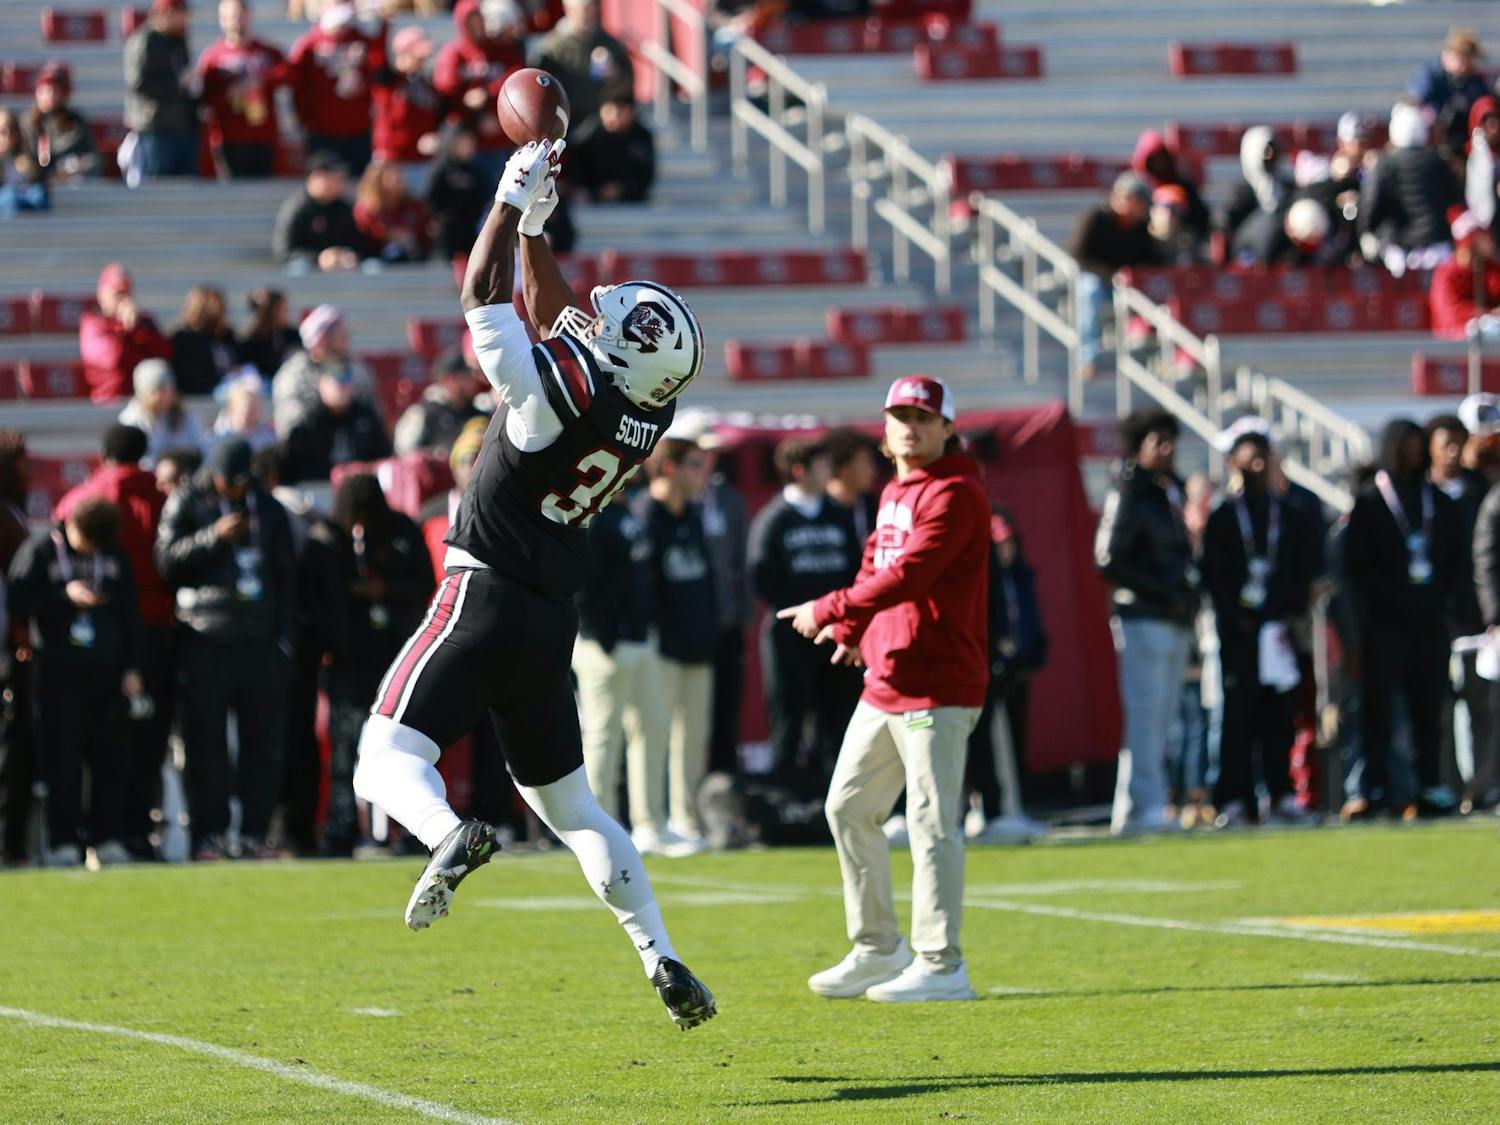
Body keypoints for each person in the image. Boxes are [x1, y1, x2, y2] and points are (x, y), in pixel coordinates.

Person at [349, 139, 716, 1028]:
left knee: (383, 758)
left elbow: (479, 296)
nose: (595, 313)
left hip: (482, 594)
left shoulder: (555, 393)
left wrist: (510, 200)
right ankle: (661, 957)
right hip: (550, 622)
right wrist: (541, 234)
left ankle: (448, 835)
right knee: (574, 806)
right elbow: (562, 322)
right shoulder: (646, 409)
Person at [778, 374, 989, 1003]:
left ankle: (943, 962)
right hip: (889, 677)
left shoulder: (957, 492)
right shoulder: (898, 486)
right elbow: (878, 562)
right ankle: (878, 947)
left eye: (923, 417)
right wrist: (851, 623)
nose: (909, 426)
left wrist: (828, 605)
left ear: (947, 427)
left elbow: (912, 574)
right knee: (846, 807)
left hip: (937, 684)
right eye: (900, 414)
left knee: (930, 824)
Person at [155, 438, 296, 859]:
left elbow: (286, 576)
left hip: (259, 640)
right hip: (205, 637)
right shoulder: (186, 501)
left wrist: (284, 637)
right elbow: (166, 561)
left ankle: (254, 833)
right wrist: (213, 537)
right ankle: (209, 835)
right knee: (206, 744)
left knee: (262, 743)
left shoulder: (267, 507)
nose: (236, 492)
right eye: (229, 484)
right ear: (214, 477)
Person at [54, 425, 173, 860]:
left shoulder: (85, 497)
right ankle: (131, 832)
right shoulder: (160, 499)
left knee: (86, 744)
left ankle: (85, 836)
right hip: (157, 630)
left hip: (97, 636)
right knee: (144, 742)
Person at [8, 499, 146, 867]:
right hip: (56, 670)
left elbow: (130, 612)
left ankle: (107, 838)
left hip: (107, 670)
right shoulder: (40, 549)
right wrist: (62, 598)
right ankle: (63, 841)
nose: (89, 550)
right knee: (60, 759)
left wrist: (133, 667)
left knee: (111, 758)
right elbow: (18, 600)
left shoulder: (113, 554)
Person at [1343, 420, 1462, 820]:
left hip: (1428, 627)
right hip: (1384, 628)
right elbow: (1356, 573)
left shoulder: (1439, 503)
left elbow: (1454, 563)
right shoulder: (1370, 503)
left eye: (1418, 445)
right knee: (1377, 711)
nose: (1413, 453)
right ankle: (1376, 788)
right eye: (1406, 445)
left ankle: (1428, 786)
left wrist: (1438, 603)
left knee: (1428, 711)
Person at [1200, 421, 1314, 828]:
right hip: (1238, 634)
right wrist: (1238, 619)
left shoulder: (1289, 513)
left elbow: (1302, 570)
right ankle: (1234, 797)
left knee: (1279, 716)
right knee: (1237, 716)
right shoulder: (1224, 516)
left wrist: (1285, 612)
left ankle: (1281, 793)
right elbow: (1214, 575)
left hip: (1277, 631)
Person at [1094, 409, 1197, 834]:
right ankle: (1147, 805)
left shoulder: (1166, 492)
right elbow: (1108, 559)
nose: (1168, 449)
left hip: (1169, 617)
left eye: (1171, 440)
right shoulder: (1131, 493)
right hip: (1143, 617)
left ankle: (1134, 806)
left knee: (1162, 718)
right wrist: (1163, 588)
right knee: (1147, 715)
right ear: (1139, 445)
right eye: (1158, 440)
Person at [323, 474, 434, 856]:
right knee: (345, 750)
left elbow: (423, 584)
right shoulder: (335, 539)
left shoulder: (402, 530)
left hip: (396, 657)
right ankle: (342, 830)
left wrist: (384, 589)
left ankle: (410, 829)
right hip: (351, 659)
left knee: (404, 749)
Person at [749, 435, 860, 788]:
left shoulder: (838, 514)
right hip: (789, 638)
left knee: (836, 722)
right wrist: (801, 615)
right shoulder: (774, 518)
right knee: (788, 722)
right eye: (823, 465)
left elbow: (856, 570)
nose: (830, 471)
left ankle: (836, 802)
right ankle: (786, 805)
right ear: (800, 471)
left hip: (834, 635)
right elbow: (761, 575)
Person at [632, 437, 719, 852]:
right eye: (694, 465)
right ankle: (647, 822)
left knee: (692, 739)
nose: (701, 474)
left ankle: (687, 820)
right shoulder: (644, 514)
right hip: (657, 646)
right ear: (669, 468)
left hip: (695, 642)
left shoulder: (696, 514)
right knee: (651, 736)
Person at [574, 473, 661, 832]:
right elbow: (583, 584)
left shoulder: (628, 513)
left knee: (650, 732)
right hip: (604, 645)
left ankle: (649, 823)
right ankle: (599, 824)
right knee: (602, 736)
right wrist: (603, 636)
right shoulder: (594, 518)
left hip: (638, 639)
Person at [965, 505, 1048, 843]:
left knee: (1002, 744)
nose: (1004, 550)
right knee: (958, 741)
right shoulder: (982, 575)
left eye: (1008, 543)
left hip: (1005, 672)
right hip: (973, 669)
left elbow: (1026, 625)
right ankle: (969, 811)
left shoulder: (1020, 578)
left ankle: (1000, 810)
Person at [1427, 409, 1490, 813]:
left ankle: (1481, 786)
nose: (1452, 451)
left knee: (1482, 705)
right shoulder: (1420, 495)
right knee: (1439, 711)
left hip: (1476, 617)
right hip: (1432, 620)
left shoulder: (1480, 491)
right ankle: (1443, 785)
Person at [1068, 173, 1157, 379]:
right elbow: (1079, 254)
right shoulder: (1096, 219)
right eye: (1138, 202)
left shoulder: (1140, 228)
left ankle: (1147, 351)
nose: (1141, 208)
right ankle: (1087, 358)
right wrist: (1111, 276)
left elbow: (1151, 260)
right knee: (1089, 291)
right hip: (1098, 280)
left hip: (1126, 285)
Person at [1360, 102, 1461, 275]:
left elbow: (1370, 204)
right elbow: (1456, 199)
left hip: (1398, 252)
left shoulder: (1385, 164)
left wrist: (1365, 232)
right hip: (1437, 247)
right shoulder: (1438, 162)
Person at [287, 0, 387, 174]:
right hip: (323, 132)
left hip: (359, 131)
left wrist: (384, 26)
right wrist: (306, 120)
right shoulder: (310, 44)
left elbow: (380, 71)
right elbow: (294, 82)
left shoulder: (362, 41)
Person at [433, 0, 526, 177]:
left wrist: (487, 92)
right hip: (466, 141)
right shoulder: (455, 52)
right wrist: (471, 108)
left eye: (480, 20)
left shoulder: (501, 49)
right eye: (471, 21)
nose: (477, 26)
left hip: (498, 139)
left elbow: (515, 77)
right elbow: (446, 89)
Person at [196, 0, 287, 179]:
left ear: (249, 16)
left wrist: (260, 81)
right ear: (221, 20)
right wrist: (229, 94)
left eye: (239, 15)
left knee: (263, 190)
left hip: (263, 135)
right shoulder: (213, 56)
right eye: (230, 17)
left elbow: (288, 74)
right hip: (229, 138)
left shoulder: (267, 51)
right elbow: (205, 98)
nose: (235, 21)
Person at [0, 433, 34, 865]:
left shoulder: (11, 514)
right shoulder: (5, 519)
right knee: (12, 748)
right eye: (22, 461)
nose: (30, 468)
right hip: (7, 652)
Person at [271, 304, 376, 436]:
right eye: (339, 337)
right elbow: (291, 427)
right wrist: (327, 406)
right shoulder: (293, 375)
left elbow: (373, 417)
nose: (345, 343)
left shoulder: (357, 371)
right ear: (321, 341)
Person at [534, 0, 634, 132]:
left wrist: (615, 75)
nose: (585, 15)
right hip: (568, 124)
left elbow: (627, 83)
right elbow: (542, 92)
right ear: (567, 9)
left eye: (589, 8)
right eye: (580, 9)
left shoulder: (608, 42)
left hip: (603, 124)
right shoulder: (551, 48)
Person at [123, 0, 198, 179]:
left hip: (182, 125)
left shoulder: (177, 40)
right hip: (156, 128)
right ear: (166, 13)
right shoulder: (144, 40)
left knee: (185, 189)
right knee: (158, 186)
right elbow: (138, 83)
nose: (185, 20)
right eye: (181, 14)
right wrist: (177, 84)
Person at [78, 263, 172, 403]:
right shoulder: (93, 323)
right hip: (111, 399)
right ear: (101, 295)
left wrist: (137, 329)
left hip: (148, 402)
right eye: (117, 293)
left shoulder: (142, 321)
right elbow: (114, 359)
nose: (123, 300)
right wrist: (128, 329)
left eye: (126, 293)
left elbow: (165, 353)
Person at [271, 153, 367, 271]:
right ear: (316, 176)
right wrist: (319, 258)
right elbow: (283, 251)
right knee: (300, 268)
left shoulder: (345, 208)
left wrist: (349, 255)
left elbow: (362, 245)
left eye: (341, 177)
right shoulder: (297, 208)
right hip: (308, 274)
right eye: (334, 177)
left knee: (372, 266)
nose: (339, 182)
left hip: (344, 270)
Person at [1409, 28, 1489, 161]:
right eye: (1462, 58)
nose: (1466, 65)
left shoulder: (1473, 81)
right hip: (1431, 145)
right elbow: (1415, 102)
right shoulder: (1431, 76)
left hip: (1464, 146)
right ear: (1447, 55)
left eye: (1469, 59)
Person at [372, 26, 445, 169]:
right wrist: (383, 26)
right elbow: (377, 58)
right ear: (402, 54)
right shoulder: (389, 82)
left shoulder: (425, 83)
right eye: (417, 57)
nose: (421, 62)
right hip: (393, 162)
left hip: (422, 160)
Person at [393, 347, 488, 455]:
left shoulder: (479, 413)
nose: (473, 378)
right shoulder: (423, 413)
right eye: (466, 374)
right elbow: (406, 454)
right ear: (448, 378)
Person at [1219, 127, 1293, 256]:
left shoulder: (1288, 187)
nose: (1270, 157)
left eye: (1273, 151)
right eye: (1265, 152)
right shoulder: (1240, 192)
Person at [119, 359, 208, 465]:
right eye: (157, 391)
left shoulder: (186, 416)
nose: (165, 396)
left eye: (168, 390)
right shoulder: (131, 420)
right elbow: (137, 461)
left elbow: (201, 449)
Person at [568, 94, 655, 203]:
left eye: (619, 112)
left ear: (631, 112)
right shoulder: (590, 133)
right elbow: (575, 163)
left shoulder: (641, 137)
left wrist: (622, 189)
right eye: (608, 112)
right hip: (591, 198)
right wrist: (581, 188)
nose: (613, 117)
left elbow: (645, 175)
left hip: (631, 201)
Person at [1131, 129, 1209, 245]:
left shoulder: (1184, 187)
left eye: (1162, 159)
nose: (1159, 165)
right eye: (1153, 161)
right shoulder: (1138, 190)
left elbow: (1200, 219)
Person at [1430, 213, 1500, 340]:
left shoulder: (1490, 268)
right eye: (1483, 235)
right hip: (1451, 347)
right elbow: (1450, 315)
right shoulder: (1446, 273)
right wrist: (1487, 315)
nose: (1490, 239)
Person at [22, 63, 98, 181]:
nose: (49, 96)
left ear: (63, 94)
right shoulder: (27, 123)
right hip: (35, 183)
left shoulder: (75, 122)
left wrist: (74, 166)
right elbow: (22, 158)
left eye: (54, 90)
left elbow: (92, 157)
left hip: (69, 182)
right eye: (44, 91)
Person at [425, 123, 488, 262]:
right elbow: (432, 198)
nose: (468, 148)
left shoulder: (475, 171)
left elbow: (480, 199)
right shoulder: (442, 169)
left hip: (470, 226)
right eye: (463, 144)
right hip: (448, 228)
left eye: (470, 144)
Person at [353, 159, 433, 263]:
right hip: (374, 264)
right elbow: (365, 240)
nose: (398, 177)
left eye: (399, 172)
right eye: (391, 172)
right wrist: (388, 235)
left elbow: (424, 236)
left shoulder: (413, 206)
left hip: (412, 263)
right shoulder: (366, 209)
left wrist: (410, 238)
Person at [169, 285, 239, 396]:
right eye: (221, 308)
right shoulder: (184, 338)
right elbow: (191, 377)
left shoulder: (227, 336)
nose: (225, 312)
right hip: (206, 391)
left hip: (231, 385)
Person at [823, 426, 881, 543]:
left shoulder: (870, 506)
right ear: (844, 468)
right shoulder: (816, 509)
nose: (873, 471)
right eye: (866, 462)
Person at [237, 288, 302, 378]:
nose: (286, 312)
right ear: (271, 311)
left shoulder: (291, 335)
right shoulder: (249, 340)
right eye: (282, 308)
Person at [213, 369, 278, 449]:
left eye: (255, 410)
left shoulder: (267, 436)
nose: (253, 415)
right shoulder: (218, 436)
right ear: (232, 408)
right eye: (248, 411)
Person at [0, 109, 48, 216]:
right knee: (11, 196)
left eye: (11, 131)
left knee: (39, 193)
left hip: (24, 204)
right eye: (2, 132)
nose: (7, 136)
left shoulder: (26, 160)